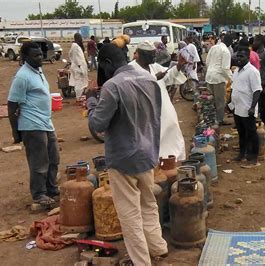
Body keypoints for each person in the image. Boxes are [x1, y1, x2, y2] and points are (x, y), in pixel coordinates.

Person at [87, 44, 167, 265]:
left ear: (107, 64)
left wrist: (92, 100)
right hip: (147, 153)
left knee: (129, 213)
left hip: (123, 158)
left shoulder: (112, 87)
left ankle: (141, 261)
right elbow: (155, 118)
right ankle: (158, 247)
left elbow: (97, 123)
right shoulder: (150, 80)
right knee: (148, 204)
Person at [7, 41, 59, 207]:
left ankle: (51, 188)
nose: (40, 58)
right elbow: (12, 105)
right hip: (31, 125)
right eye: (35, 55)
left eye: (40, 54)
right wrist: (16, 133)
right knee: (39, 162)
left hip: (46, 122)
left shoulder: (38, 70)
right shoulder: (22, 76)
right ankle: (39, 194)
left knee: (53, 158)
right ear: (25, 57)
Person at [129, 41, 188, 161]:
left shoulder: (153, 66)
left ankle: (169, 160)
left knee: (170, 130)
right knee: (150, 138)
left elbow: (168, 76)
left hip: (163, 108)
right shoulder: (130, 68)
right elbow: (131, 87)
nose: (154, 57)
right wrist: (154, 78)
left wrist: (179, 65)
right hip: (145, 110)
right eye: (151, 55)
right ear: (140, 55)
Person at [230, 45, 262, 168]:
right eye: (237, 56)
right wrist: (230, 103)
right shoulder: (237, 71)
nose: (238, 58)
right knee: (241, 132)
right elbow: (233, 88)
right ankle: (242, 154)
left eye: (241, 56)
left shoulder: (252, 72)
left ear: (248, 57)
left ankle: (254, 158)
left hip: (247, 107)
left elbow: (257, 91)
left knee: (251, 133)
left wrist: (252, 107)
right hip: (237, 107)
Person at [205, 34, 233, 125]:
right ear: (230, 42)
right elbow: (225, 68)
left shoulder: (214, 48)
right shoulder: (226, 51)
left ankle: (211, 118)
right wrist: (232, 78)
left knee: (212, 100)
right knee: (220, 101)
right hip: (218, 79)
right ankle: (219, 120)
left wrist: (211, 71)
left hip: (210, 76)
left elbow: (207, 62)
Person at [253, 35, 265, 137]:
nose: (253, 43)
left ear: (260, 42)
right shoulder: (255, 53)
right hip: (256, 85)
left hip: (263, 84)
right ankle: (258, 129)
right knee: (258, 108)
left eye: (255, 41)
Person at [69, 33, 89, 99]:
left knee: (82, 82)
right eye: (80, 37)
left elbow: (81, 56)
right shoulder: (75, 46)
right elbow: (75, 58)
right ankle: (78, 98)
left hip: (79, 67)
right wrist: (80, 66)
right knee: (79, 83)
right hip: (78, 68)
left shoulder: (77, 46)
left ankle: (80, 96)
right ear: (77, 38)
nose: (81, 38)